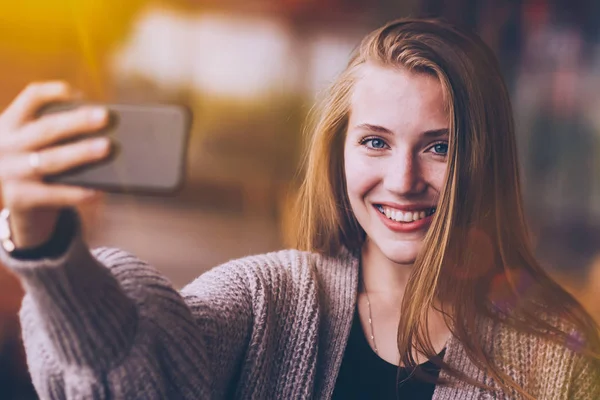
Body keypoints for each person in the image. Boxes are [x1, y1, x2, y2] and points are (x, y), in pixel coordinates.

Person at [0, 18, 598, 400]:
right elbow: (137, 373)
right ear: (337, 150)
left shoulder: (557, 352)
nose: (403, 179)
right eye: (375, 141)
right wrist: (46, 246)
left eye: (439, 147)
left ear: (486, 160)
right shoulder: (269, 297)